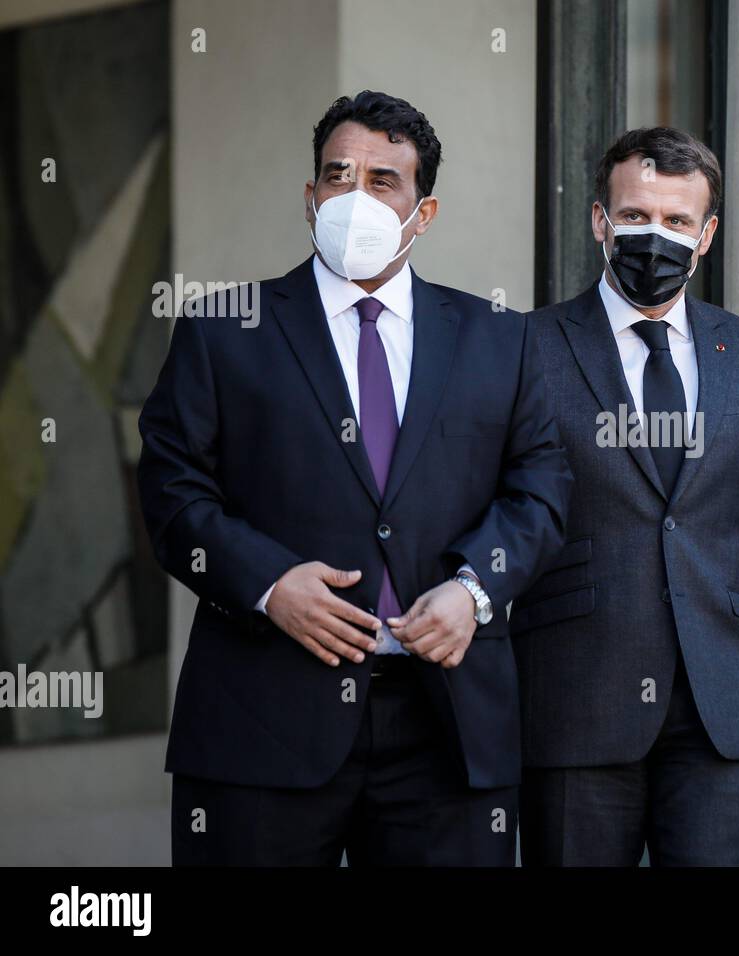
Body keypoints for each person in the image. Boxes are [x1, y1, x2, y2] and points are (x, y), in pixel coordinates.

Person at [137, 91, 571, 866]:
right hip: (261, 718)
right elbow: (172, 495)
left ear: (424, 212)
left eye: (382, 180)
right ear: (310, 198)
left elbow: (540, 491)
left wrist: (475, 591)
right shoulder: (222, 332)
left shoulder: (501, 340)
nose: (355, 197)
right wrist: (270, 585)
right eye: (338, 176)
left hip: (449, 730)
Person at [515, 127, 739, 866]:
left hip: (721, 709)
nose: (653, 236)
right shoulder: (528, 346)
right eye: (634, 217)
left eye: (677, 221)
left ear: (707, 235)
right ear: (600, 220)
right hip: (576, 704)